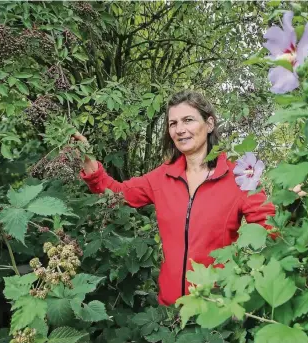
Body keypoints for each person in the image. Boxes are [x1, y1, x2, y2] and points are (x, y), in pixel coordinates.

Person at [74, 90, 276, 306]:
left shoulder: (238, 176)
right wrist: (89, 163)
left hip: (217, 308)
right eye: (173, 123)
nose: (180, 130)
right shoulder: (163, 177)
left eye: (188, 120)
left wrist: (294, 205)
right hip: (170, 309)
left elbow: (271, 230)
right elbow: (115, 193)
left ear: (209, 124)